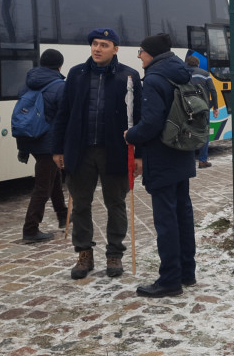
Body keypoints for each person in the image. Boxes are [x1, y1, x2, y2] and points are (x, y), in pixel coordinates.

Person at [52, 28, 142, 280]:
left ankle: (115, 253)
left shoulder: (129, 76)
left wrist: (139, 155)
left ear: (115, 49)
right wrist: (58, 148)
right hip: (80, 152)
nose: (97, 48)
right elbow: (64, 113)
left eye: (104, 44)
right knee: (81, 204)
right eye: (94, 44)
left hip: (115, 151)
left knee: (116, 204)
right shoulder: (76, 74)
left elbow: (138, 117)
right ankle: (84, 253)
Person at [126, 34, 197, 298]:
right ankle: (187, 272)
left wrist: (130, 135)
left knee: (166, 220)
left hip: (162, 157)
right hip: (182, 154)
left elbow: (151, 123)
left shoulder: (155, 79)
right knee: (182, 215)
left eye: (141, 51)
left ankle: (169, 279)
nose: (139, 57)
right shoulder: (180, 72)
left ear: (151, 53)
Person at [17, 48, 68, 242]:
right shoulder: (59, 86)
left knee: (53, 177)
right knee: (43, 186)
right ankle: (30, 229)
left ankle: (63, 215)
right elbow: (64, 116)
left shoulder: (28, 83)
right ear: (59, 65)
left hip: (31, 138)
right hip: (49, 142)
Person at [185, 55, 219, 169]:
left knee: (187, 133)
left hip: (186, 108)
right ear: (197, 64)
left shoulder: (183, 73)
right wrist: (215, 107)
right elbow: (213, 91)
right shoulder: (205, 74)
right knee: (204, 133)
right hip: (203, 108)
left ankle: (188, 161)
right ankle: (202, 161)